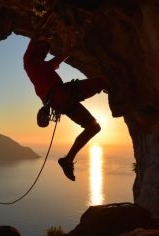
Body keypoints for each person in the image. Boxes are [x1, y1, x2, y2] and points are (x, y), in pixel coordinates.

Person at [23, 2, 108, 181]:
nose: (46, 52)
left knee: (94, 127)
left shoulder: (45, 66)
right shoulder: (29, 60)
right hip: (63, 94)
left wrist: (69, 30)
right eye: (44, 49)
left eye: (47, 51)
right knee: (102, 81)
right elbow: (37, 30)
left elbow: (66, 52)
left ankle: (68, 159)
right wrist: (50, 12)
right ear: (36, 47)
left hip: (61, 103)